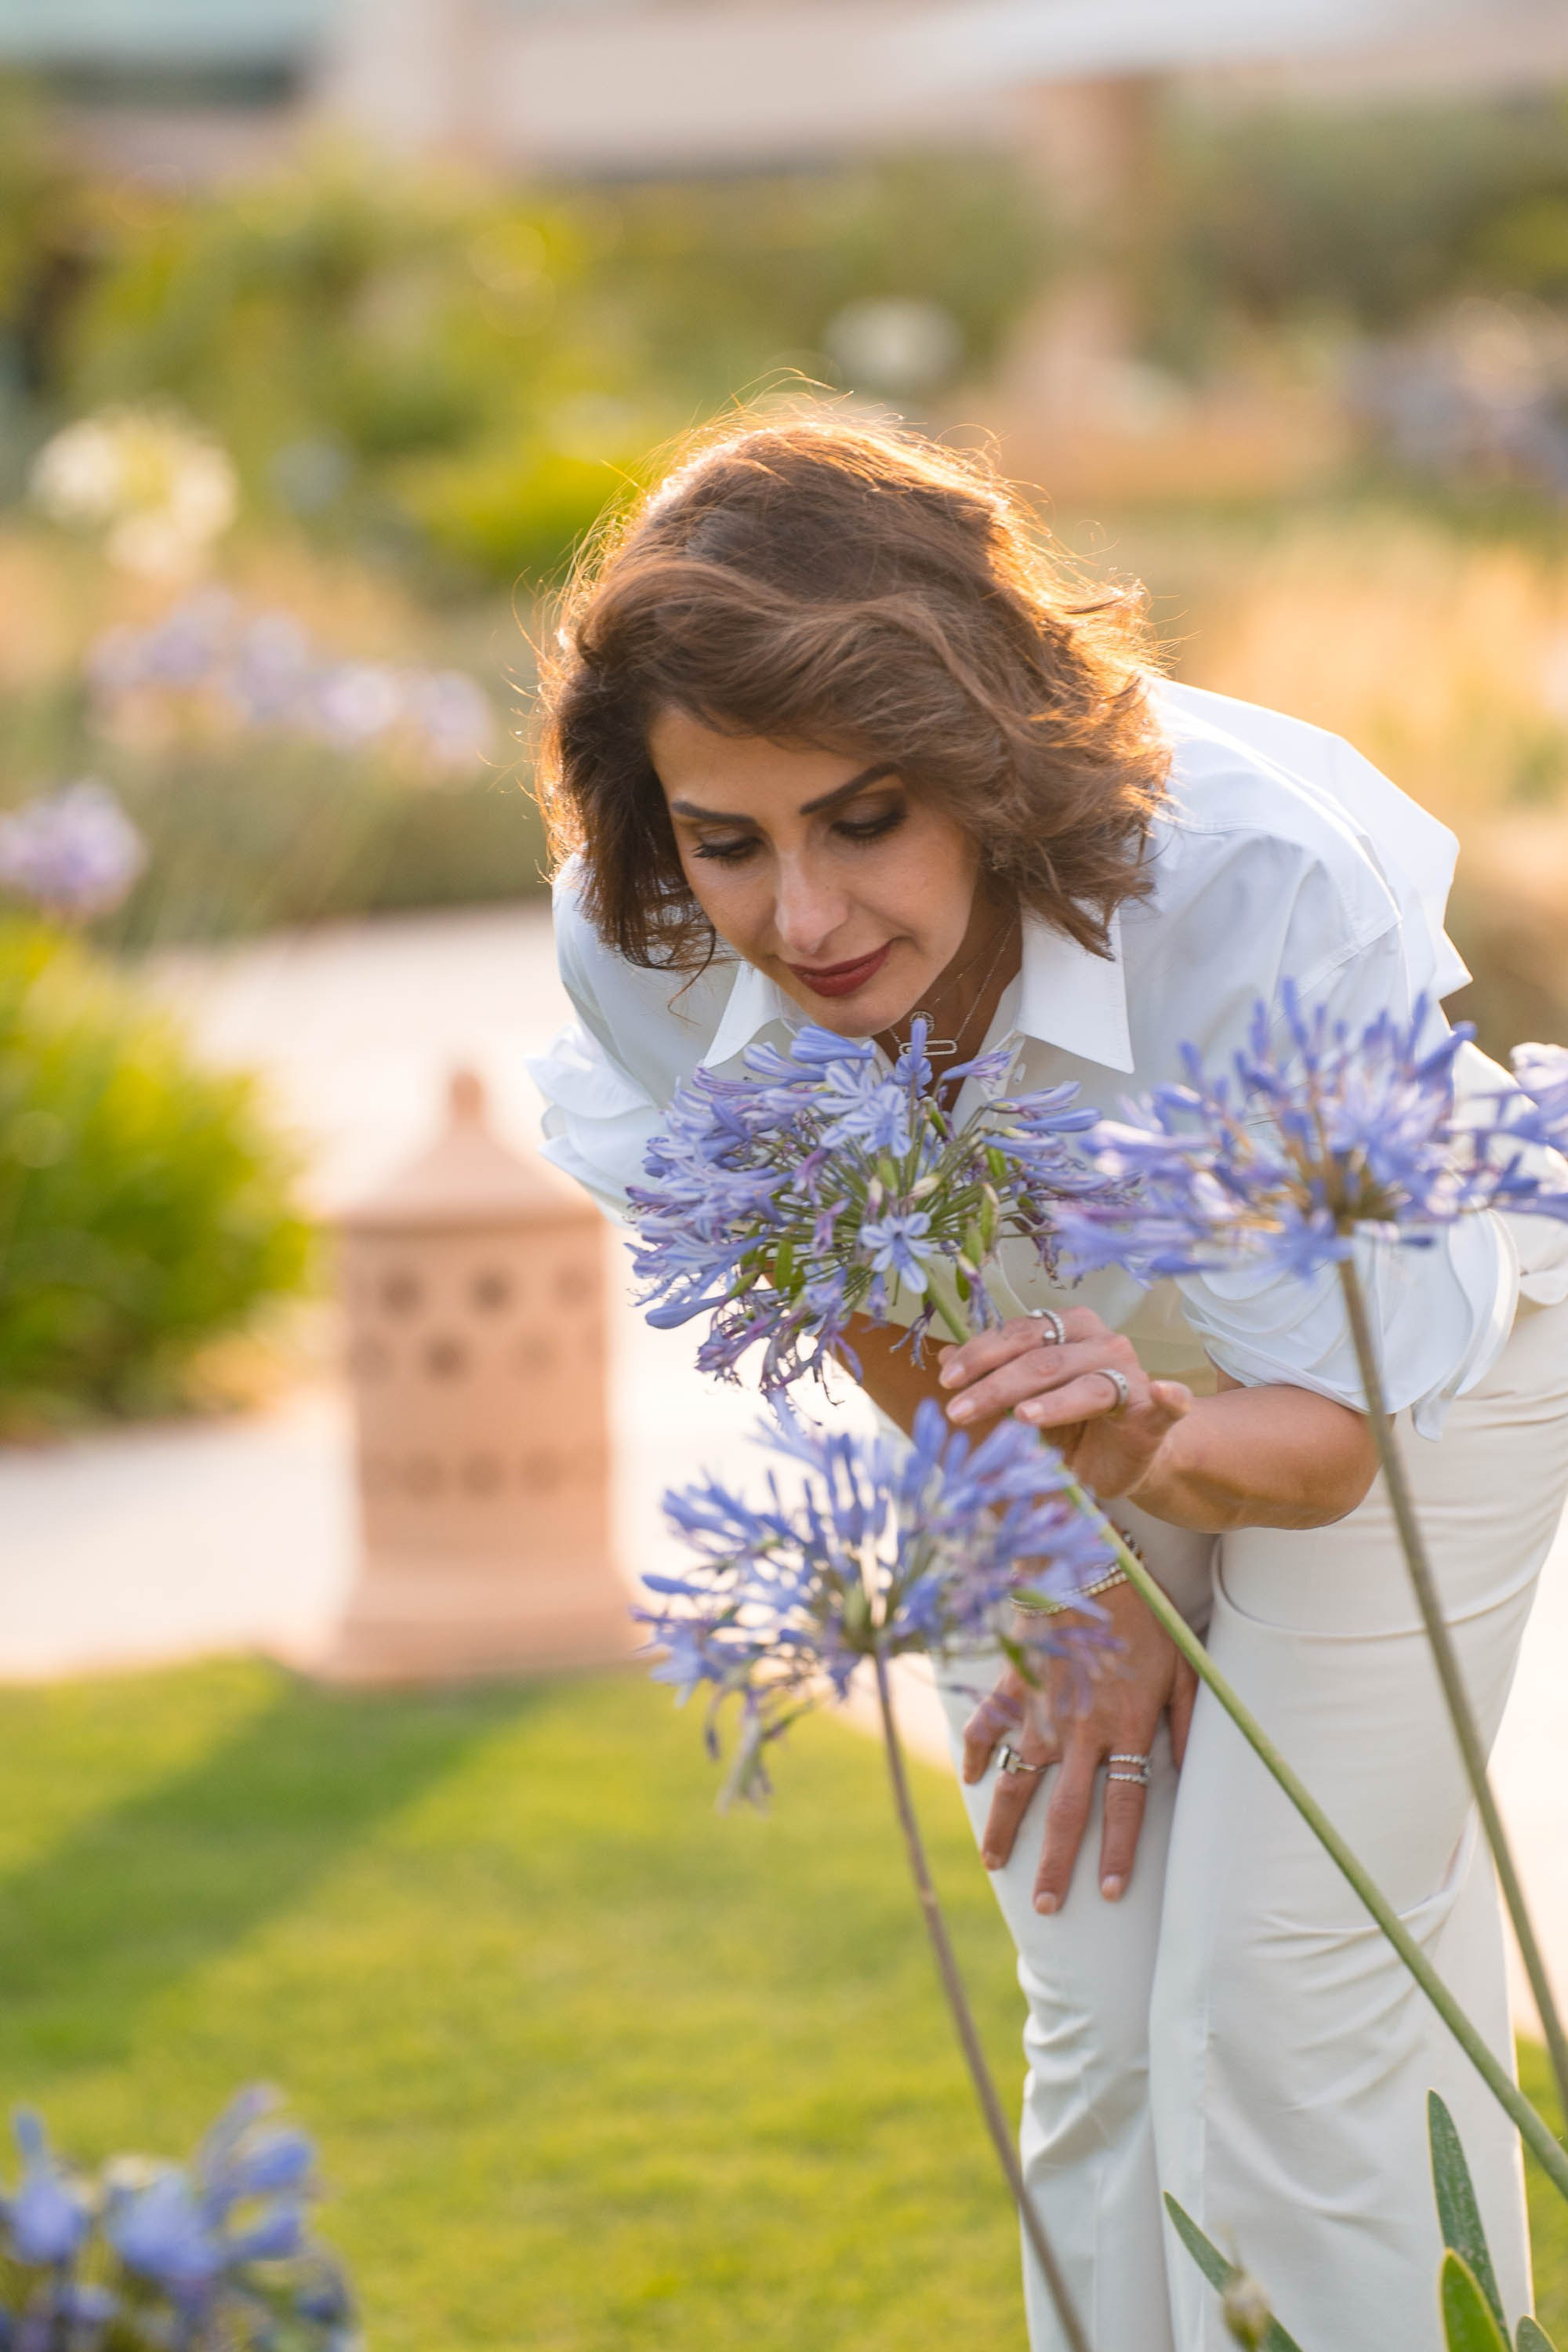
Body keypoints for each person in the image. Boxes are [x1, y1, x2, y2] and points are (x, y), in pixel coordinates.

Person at [526, 410, 1568, 2350]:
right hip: (1019, 1406)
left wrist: (1153, 1436)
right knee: (1103, 2010)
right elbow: (828, 1250)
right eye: (730, 839)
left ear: (986, 766)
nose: (804, 921)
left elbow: (1330, 1437)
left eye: (863, 818)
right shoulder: (645, 934)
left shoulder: (1247, 886)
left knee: (1278, 2009)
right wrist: (1079, 1578)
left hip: (1401, 1359)